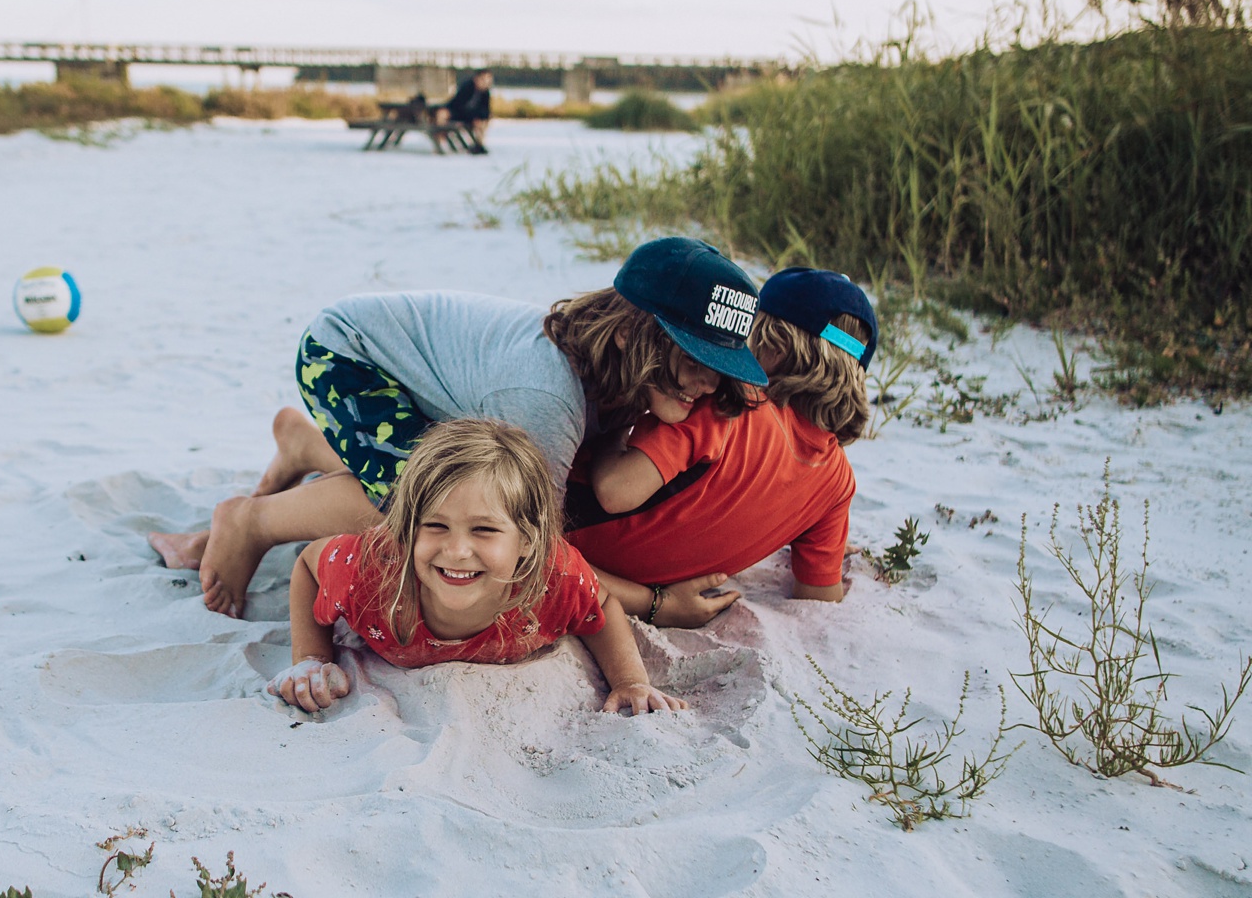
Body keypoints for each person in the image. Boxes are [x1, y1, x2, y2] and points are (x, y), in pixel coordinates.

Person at [148, 236, 768, 619]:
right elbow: (538, 558)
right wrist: (658, 605)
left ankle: (304, 445)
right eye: (694, 359)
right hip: (346, 356)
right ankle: (249, 521)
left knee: (433, 477)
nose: (709, 384)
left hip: (420, 378)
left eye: (720, 366)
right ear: (634, 335)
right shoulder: (544, 399)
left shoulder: (610, 375)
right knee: (428, 509)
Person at [266, 419, 687, 715]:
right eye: (435, 526)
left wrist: (630, 681)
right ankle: (306, 449)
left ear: (527, 541)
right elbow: (307, 564)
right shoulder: (373, 573)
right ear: (408, 530)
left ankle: (306, 446)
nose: (458, 550)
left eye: (484, 530)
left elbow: (603, 603)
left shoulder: (552, 578)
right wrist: (311, 657)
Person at [565, 267, 878, 627]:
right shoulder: (837, 485)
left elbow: (614, 490)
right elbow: (820, 598)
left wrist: (618, 425)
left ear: (774, 346)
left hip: (569, 527)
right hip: (625, 576)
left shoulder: (731, 403)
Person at [440, 68, 493, 152]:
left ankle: (479, 145)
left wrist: (480, 117)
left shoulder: (485, 93)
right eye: (483, 79)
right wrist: (473, 117)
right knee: (442, 115)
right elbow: (459, 106)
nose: (485, 83)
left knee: (483, 122)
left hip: (471, 116)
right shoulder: (467, 87)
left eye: (488, 80)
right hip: (457, 113)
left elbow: (486, 110)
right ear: (476, 79)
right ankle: (441, 143)